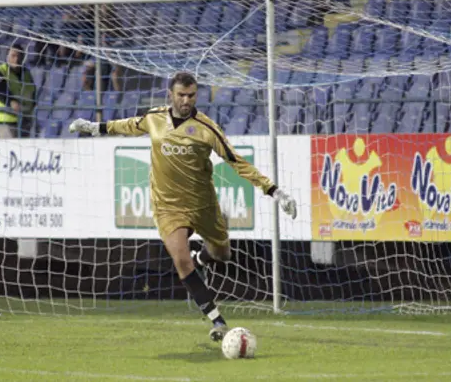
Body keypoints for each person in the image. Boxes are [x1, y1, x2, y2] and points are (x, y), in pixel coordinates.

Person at [69, 72, 297, 342]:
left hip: (203, 204)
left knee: (222, 254)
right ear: (171, 94)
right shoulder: (154, 118)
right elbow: (127, 125)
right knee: (179, 257)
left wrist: (275, 191)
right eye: (181, 95)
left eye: (190, 95)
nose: (186, 100)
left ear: (196, 95)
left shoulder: (206, 128)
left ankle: (202, 259)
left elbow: (237, 161)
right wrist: (95, 128)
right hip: (168, 206)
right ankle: (217, 320)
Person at [0, 43, 37, 138]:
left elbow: (33, 91)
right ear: (7, 56)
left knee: (24, 150)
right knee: (9, 149)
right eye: (13, 56)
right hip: (6, 120)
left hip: (24, 119)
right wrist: (11, 102)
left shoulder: (27, 73)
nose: (16, 59)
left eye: (19, 56)